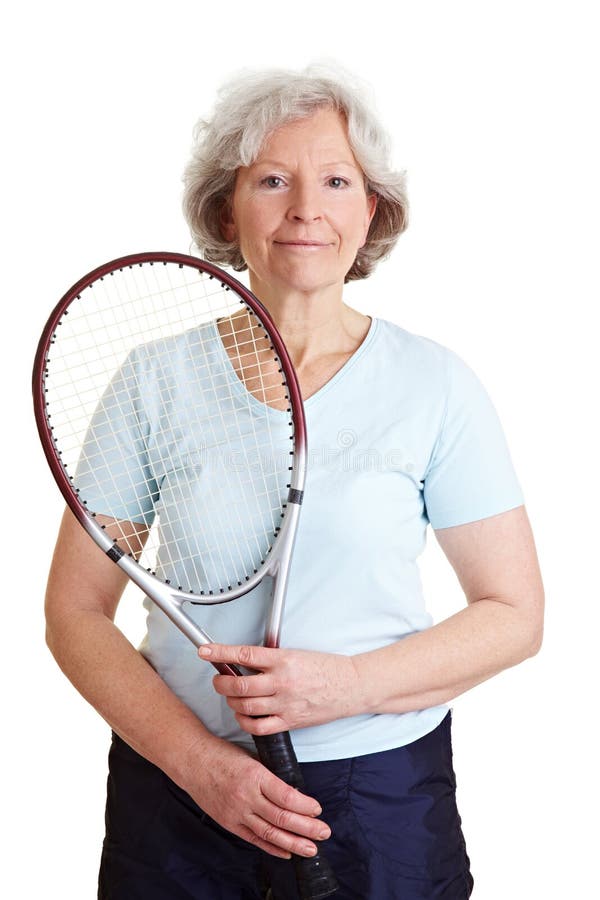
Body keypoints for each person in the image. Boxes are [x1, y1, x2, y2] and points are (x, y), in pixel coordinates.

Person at [44, 62, 545, 899]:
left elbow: (515, 616)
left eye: (337, 181)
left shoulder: (437, 385)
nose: (306, 208)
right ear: (225, 208)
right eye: (272, 179)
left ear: (370, 211)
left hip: (385, 796)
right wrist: (202, 767)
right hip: (177, 798)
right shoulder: (152, 380)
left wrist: (347, 686)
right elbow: (73, 610)